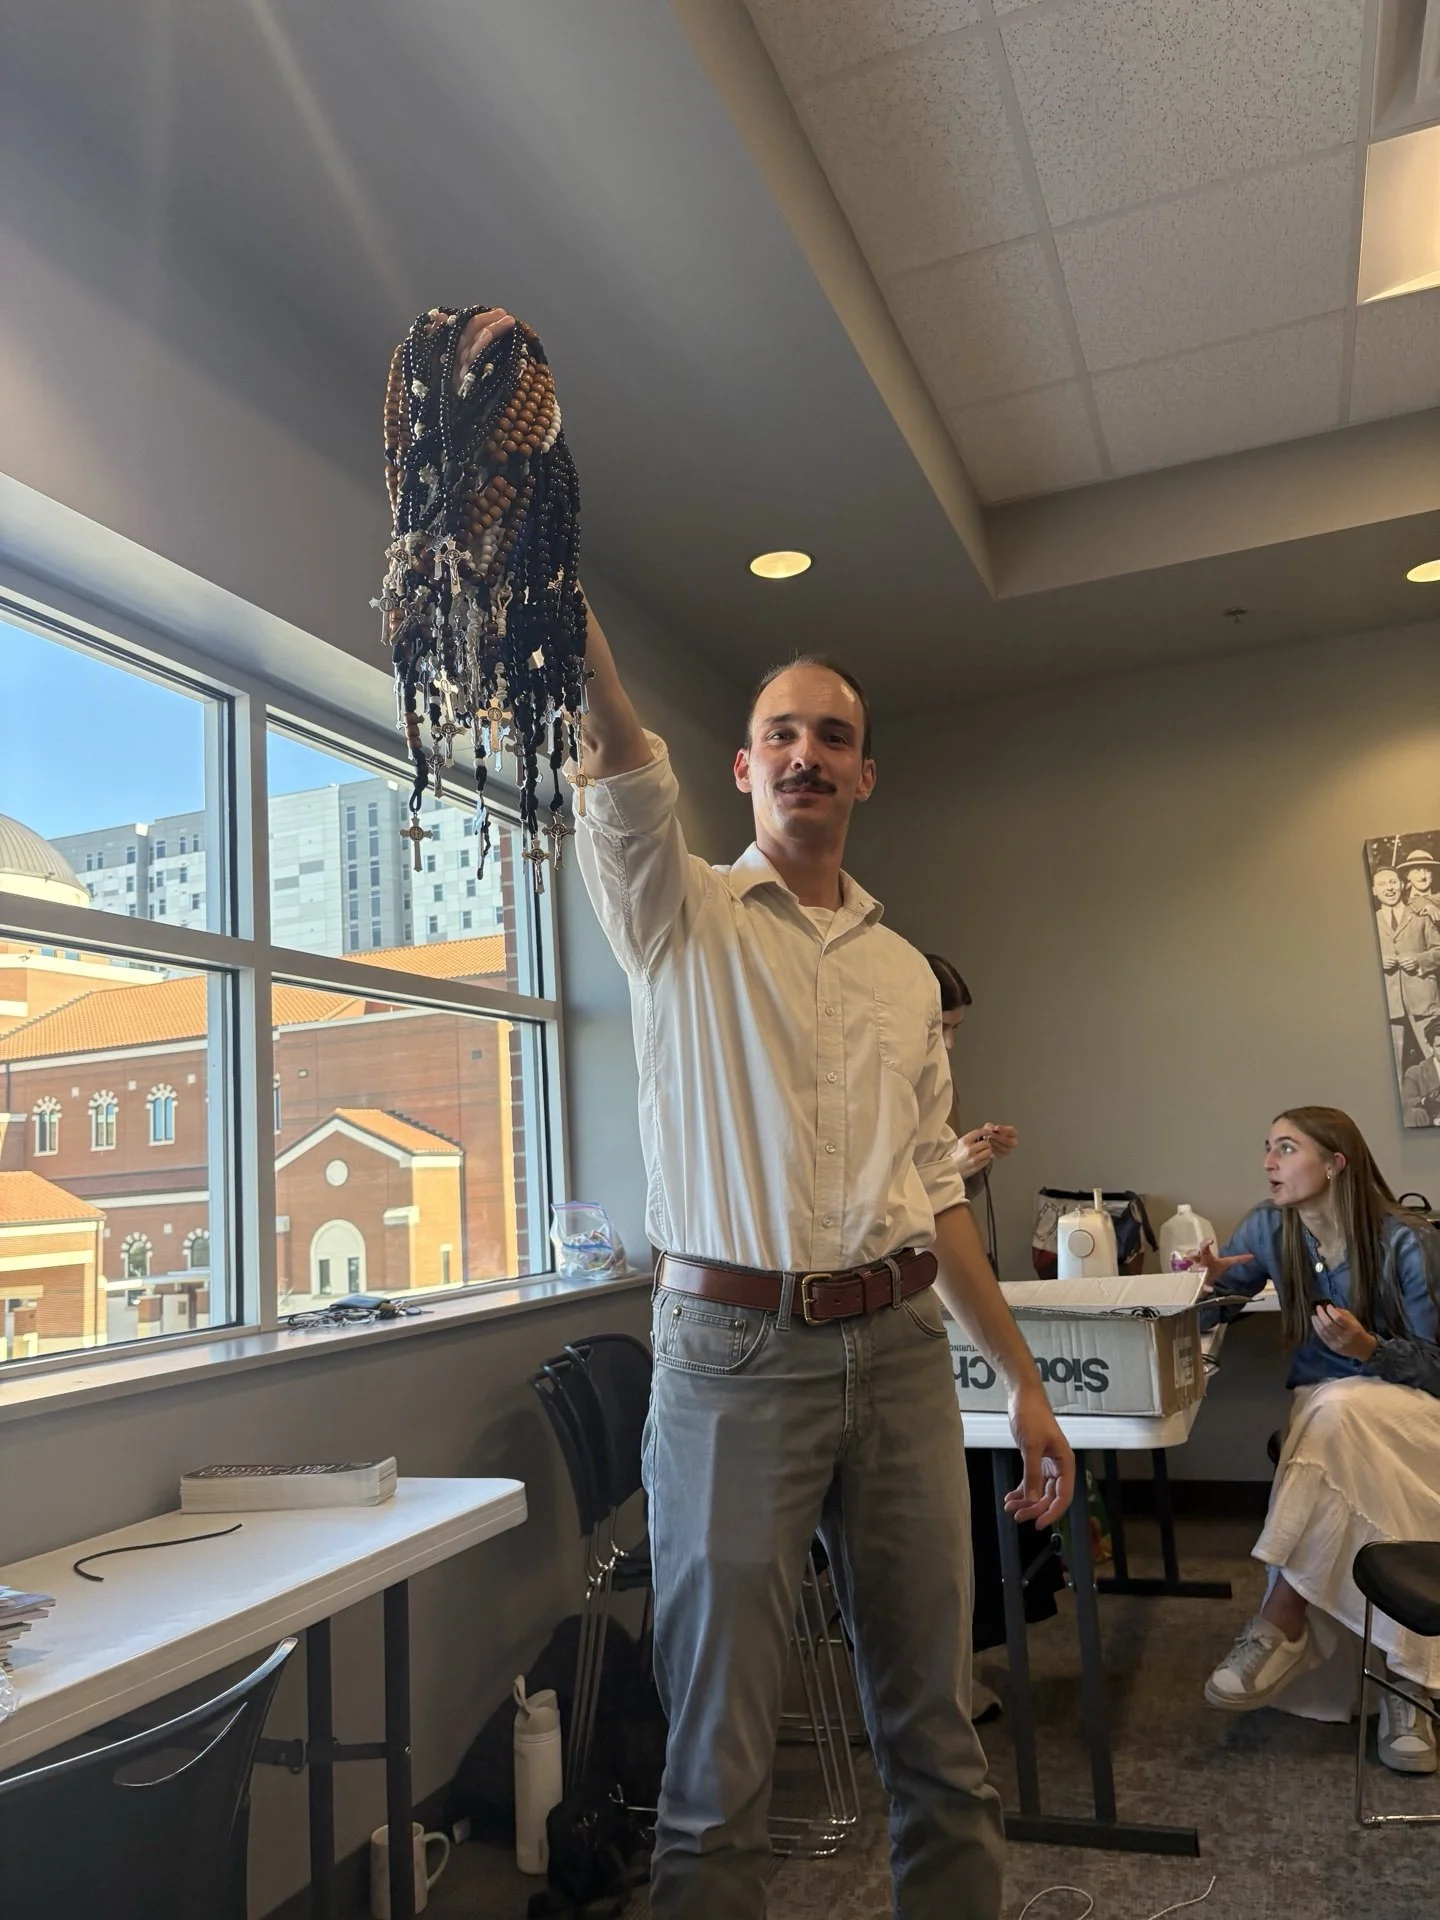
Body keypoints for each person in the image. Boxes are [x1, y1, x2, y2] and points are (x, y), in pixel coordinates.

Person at [454, 305, 1075, 1920]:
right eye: (782, 733)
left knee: (935, 1732)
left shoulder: (898, 975)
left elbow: (938, 1199)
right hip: (728, 1367)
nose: (808, 753)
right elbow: (617, 755)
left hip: (902, 1360)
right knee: (718, 1772)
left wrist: (1024, 1385)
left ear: (866, 777)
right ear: (745, 770)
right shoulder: (678, 920)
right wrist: (549, 565)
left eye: (837, 737)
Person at [1194, 1107, 1440, 1772]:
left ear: (1335, 1163)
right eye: (1266, 1148)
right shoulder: (1269, 1228)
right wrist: (1206, 1280)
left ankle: (1282, 1618)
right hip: (1330, 1416)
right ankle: (1408, 1686)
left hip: (1410, 1410)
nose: (1268, 1162)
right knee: (1332, 1412)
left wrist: (1370, 1349)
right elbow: (1220, 1304)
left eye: (1285, 1148)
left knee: (1336, 1411)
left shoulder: (1406, 1241)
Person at [924, 955, 1063, 1711]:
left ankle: (968, 1656)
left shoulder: (925, 1097)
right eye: (940, 1028)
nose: (948, 1047)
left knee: (987, 1478)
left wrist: (960, 1167)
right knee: (966, 1495)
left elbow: (936, 1213)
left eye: (956, 1032)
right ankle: (951, 1670)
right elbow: (893, 1218)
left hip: (933, 1320)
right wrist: (948, 1165)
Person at [1403, 1012, 1440, 1128]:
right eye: (1439, 1046)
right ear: (1430, 1047)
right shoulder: (1415, 1073)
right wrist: (1425, 1101)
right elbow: (1407, 1103)